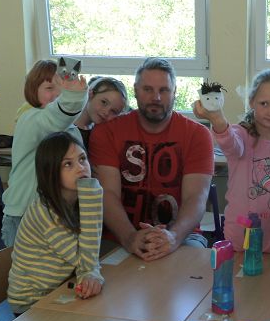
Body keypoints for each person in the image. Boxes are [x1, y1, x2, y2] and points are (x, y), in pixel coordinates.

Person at [90, 57, 214, 261]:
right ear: (136, 90)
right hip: (119, 236)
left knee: (188, 275)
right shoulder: (106, 132)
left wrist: (173, 237)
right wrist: (130, 237)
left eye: (164, 90)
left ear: (174, 92)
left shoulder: (197, 135)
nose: (156, 97)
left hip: (183, 236)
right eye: (147, 89)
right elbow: (108, 194)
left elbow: (196, 197)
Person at [193, 69, 270, 270]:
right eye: (264, 103)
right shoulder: (240, 134)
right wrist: (216, 118)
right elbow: (230, 144)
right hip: (239, 240)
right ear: (251, 102)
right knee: (239, 286)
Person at [7, 132, 104, 314]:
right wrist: (90, 273)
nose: (81, 168)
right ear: (50, 171)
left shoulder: (77, 201)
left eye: (82, 159)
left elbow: (87, 261)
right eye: (68, 164)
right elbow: (85, 260)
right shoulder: (45, 212)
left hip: (60, 289)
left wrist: (90, 275)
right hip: (32, 303)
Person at [2, 60, 88, 247]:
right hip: (25, 216)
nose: (57, 94)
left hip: (58, 216)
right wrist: (73, 94)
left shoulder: (71, 130)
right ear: (34, 91)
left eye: (62, 89)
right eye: (50, 88)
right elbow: (56, 117)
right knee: (26, 266)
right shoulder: (30, 119)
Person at [74, 76, 129, 149]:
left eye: (113, 111)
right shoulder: (64, 125)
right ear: (90, 94)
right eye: (104, 102)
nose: (106, 112)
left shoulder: (102, 134)